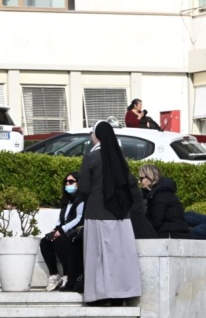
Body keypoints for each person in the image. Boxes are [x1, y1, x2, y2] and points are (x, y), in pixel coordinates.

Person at [78, 120, 142, 306]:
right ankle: (121, 294)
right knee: (119, 256)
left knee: (97, 257)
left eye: (92, 133)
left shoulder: (91, 158)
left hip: (98, 213)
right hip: (121, 216)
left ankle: (100, 295)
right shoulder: (119, 157)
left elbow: (84, 188)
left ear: (97, 135)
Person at [41, 172, 84, 291]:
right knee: (45, 242)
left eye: (71, 182)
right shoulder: (66, 202)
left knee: (61, 240)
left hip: (74, 231)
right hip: (63, 230)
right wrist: (54, 230)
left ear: (78, 183)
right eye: (66, 182)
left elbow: (78, 218)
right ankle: (54, 274)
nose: (68, 184)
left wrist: (61, 230)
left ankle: (67, 274)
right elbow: (61, 219)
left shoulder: (81, 200)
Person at [138, 164, 190, 238]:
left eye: (141, 178)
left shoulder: (159, 195)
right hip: (175, 234)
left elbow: (156, 222)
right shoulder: (158, 193)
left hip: (171, 236)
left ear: (150, 177)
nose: (139, 182)